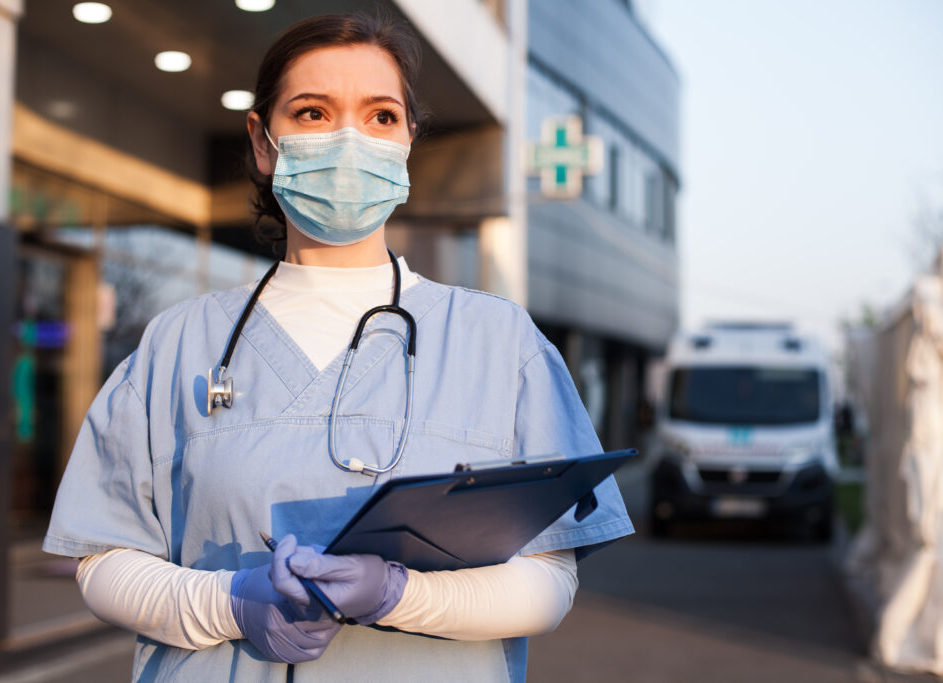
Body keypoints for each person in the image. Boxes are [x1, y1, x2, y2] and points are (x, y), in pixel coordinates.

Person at [43, 13, 632, 683]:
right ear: (264, 143)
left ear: (407, 140)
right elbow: (104, 559)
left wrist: (400, 594)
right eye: (314, 112)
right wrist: (231, 602)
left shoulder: (501, 344)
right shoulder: (178, 344)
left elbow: (547, 581)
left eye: (380, 117)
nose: (349, 139)